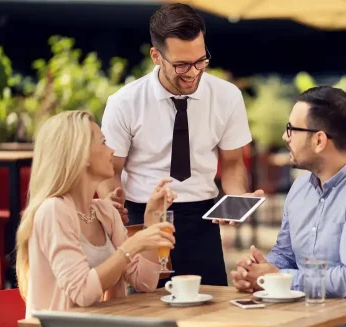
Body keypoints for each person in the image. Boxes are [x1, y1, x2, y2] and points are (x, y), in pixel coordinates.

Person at [98, 3, 260, 287]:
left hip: (202, 221)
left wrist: (236, 201)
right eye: (182, 64)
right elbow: (110, 171)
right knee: (146, 315)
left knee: (210, 313)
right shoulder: (124, 103)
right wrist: (116, 217)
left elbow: (233, 164)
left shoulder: (227, 97)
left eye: (201, 61)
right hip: (142, 218)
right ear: (156, 56)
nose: (193, 72)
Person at [230, 87, 346, 327]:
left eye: (291, 129)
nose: (284, 136)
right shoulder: (301, 187)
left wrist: (278, 277)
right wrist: (258, 271)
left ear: (320, 140)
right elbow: (286, 253)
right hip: (304, 325)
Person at [15, 111, 177, 327]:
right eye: (103, 142)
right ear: (81, 155)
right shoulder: (53, 211)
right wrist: (131, 247)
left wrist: (151, 222)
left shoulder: (105, 212)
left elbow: (145, 282)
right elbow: (83, 291)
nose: (112, 150)